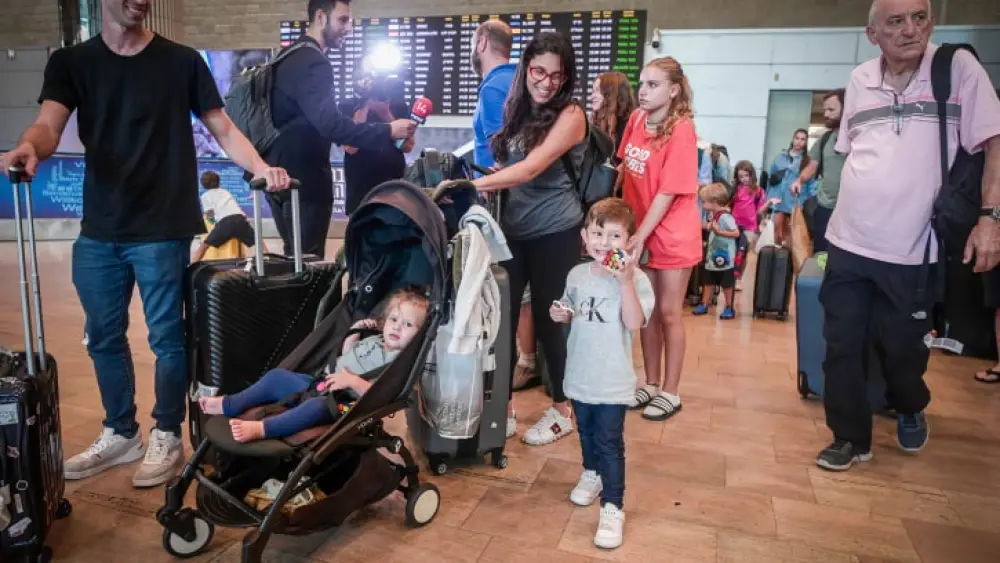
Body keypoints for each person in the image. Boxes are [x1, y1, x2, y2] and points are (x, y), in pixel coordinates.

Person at [0, 0, 294, 488]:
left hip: (162, 226)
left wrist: (260, 168)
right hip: (100, 228)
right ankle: (121, 432)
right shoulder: (72, 63)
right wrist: (30, 146)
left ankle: (166, 433)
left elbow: (221, 125)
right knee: (102, 338)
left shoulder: (181, 62)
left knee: (166, 340)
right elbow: (49, 125)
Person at [816, 0, 1000, 472]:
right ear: (872, 33)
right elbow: (852, 151)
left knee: (902, 350)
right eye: (896, 21)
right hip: (849, 243)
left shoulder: (956, 69)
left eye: (920, 17)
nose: (910, 29)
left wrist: (990, 218)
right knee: (842, 344)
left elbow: (994, 142)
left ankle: (910, 401)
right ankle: (849, 437)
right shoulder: (859, 80)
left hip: (916, 251)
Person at [465, 32, 588, 446]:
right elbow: (502, 161)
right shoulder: (515, 108)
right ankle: (503, 407)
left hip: (557, 230)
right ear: (525, 69)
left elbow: (531, 168)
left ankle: (562, 409)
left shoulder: (571, 115)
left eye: (557, 74)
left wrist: (472, 184)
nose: (547, 81)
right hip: (514, 232)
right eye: (539, 71)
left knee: (550, 321)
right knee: (499, 323)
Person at [264, 0, 417, 259]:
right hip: (302, 182)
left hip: (283, 176)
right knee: (309, 270)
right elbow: (331, 124)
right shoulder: (313, 61)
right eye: (343, 20)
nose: (348, 28)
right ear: (321, 17)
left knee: (296, 263)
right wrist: (387, 130)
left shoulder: (288, 55)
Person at [550, 198, 654, 550]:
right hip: (580, 375)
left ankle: (613, 506)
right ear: (584, 236)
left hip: (612, 381)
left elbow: (635, 323)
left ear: (628, 242)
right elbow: (570, 306)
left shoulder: (636, 280)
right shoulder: (577, 275)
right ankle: (591, 473)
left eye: (614, 236)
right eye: (597, 233)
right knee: (586, 432)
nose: (604, 243)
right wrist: (561, 311)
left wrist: (624, 281)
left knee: (610, 443)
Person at [198, 288, 429, 442]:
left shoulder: (397, 362)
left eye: (407, 324)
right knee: (277, 376)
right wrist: (355, 331)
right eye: (394, 320)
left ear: (418, 335)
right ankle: (230, 404)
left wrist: (352, 381)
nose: (397, 327)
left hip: (340, 403)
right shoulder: (374, 340)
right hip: (319, 383)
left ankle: (263, 429)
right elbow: (348, 355)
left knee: (315, 408)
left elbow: (379, 395)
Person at [618, 57, 702, 422]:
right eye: (642, 83)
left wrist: (640, 235)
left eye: (653, 84)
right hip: (640, 230)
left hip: (671, 233)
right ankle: (650, 383)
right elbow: (624, 172)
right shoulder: (636, 120)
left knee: (669, 312)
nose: (643, 90)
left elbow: (667, 192)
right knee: (647, 312)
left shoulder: (681, 129)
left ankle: (671, 391)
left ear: (673, 89)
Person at [468, 21, 540, 394]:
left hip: (503, 198)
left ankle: (525, 362)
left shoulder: (497, 86)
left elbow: (506, 151)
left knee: (513, 285)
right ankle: (525, 358)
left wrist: (487, 185)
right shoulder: (513, 81)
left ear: (482, 41)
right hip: (508, 196)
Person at [339, 62, 414, 215]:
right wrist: (364, 105)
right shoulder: (346, 106)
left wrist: (385, 113)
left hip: (393, 184)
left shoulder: (398, 105)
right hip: (361, 187)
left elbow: (408, 146)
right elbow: (350, 147)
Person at [791, 89, 846, 252]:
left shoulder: (859, 139)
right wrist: (799, 180)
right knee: (821, 254)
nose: (826, 114)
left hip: (849, 210)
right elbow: (812, 166)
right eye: (825, 110)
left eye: (831, 110)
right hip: (824, 207)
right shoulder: (825, 139)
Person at [692, 183, 740, 319]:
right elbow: (710, 227)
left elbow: (736, 233)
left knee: (727, 284)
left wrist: (720, 232)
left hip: (725, 259)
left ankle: (729, 306)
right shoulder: (714, 215)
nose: (703, 204)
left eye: (704, 202)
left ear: (715, 202)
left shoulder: (725, 217)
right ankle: (704, 303)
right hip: (712, 258)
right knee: (708, 281)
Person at [193, 170, 264, 262]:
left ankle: (192, 265)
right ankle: (269, 261)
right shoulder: (225, 192)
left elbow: (209, 214)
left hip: (225, 222)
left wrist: (211, 219)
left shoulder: (205, 196)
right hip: (240, 219)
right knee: (258, 242)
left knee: (204, 246)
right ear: (219, 182)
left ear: (203, 184)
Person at [765, 128, 814, 247]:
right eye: (797, 138)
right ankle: (775, 259)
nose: (799, 142)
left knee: (791, 237)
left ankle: (787, 262)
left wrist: (807, 203)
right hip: (778, 200)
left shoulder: (808, 161)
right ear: (793, 139)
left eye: (803, 139)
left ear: (806, 142)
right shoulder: (780, 157)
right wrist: (768, 199)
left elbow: (811, 183)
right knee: (775, 233)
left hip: (796, 202)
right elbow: (771, 179)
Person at [590, 71, 636, 162]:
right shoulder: (595, 122)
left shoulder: (629, 125)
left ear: (611, 93)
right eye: (593, 91)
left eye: (598, 91)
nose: (592, 96)